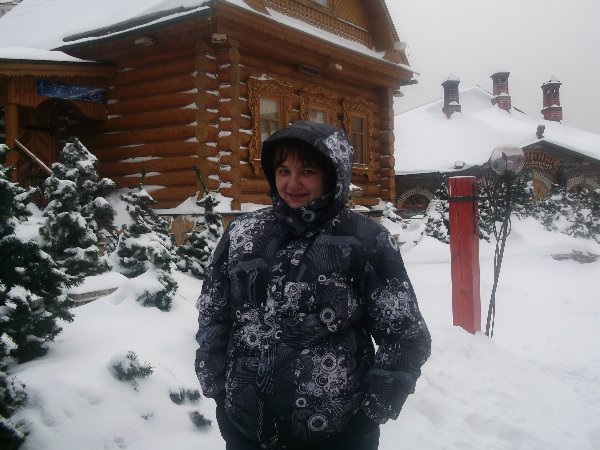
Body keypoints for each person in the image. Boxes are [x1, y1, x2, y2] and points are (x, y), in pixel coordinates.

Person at [195, 121, 431, 450]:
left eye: (307, 171)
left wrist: (367, 417)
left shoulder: (364, 240)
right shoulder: (243, 234)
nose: (292, 183)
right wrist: (220, 394)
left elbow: (405, 337)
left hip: (337, 434)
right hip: (246, 430)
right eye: (283, 170)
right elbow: (214, 316)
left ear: (332, 175)